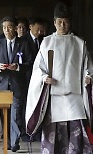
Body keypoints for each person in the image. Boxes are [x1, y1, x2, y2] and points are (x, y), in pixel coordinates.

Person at [26, 2, 93, 153]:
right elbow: (38, 68)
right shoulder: (47, 42)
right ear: (54, 22)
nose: (62, 25)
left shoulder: (80, 43)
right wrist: (43, 78)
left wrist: (88, 77)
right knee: (53, 140)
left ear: (70, 23)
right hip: (54, 98)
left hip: (75, 97)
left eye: (66, 21)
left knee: (77, 139)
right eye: (59, 22)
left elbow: (88, 68)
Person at [0, 16, 32, 152]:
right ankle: (6, 141)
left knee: (16, 114)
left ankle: (14, 142)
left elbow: (30, 63)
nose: (7, 30)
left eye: (9, 27)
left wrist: (17, 67)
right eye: (4, 27)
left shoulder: (24, 44)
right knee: (2, 115)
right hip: (1, 84)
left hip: (17, 84)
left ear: (16, 28)